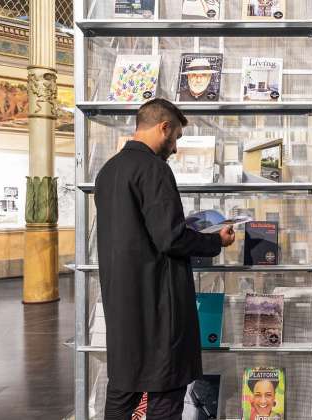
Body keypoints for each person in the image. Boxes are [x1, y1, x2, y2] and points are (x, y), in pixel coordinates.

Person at [95, 98, 235, 420]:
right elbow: (170, 237)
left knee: (122, 390)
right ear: (164, 127)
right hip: (158, 304)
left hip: (120, 302)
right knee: (165, 393)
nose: (174, 148)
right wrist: (215, 240)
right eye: (176, 139)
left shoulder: (108, 171)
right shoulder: (155, 170)